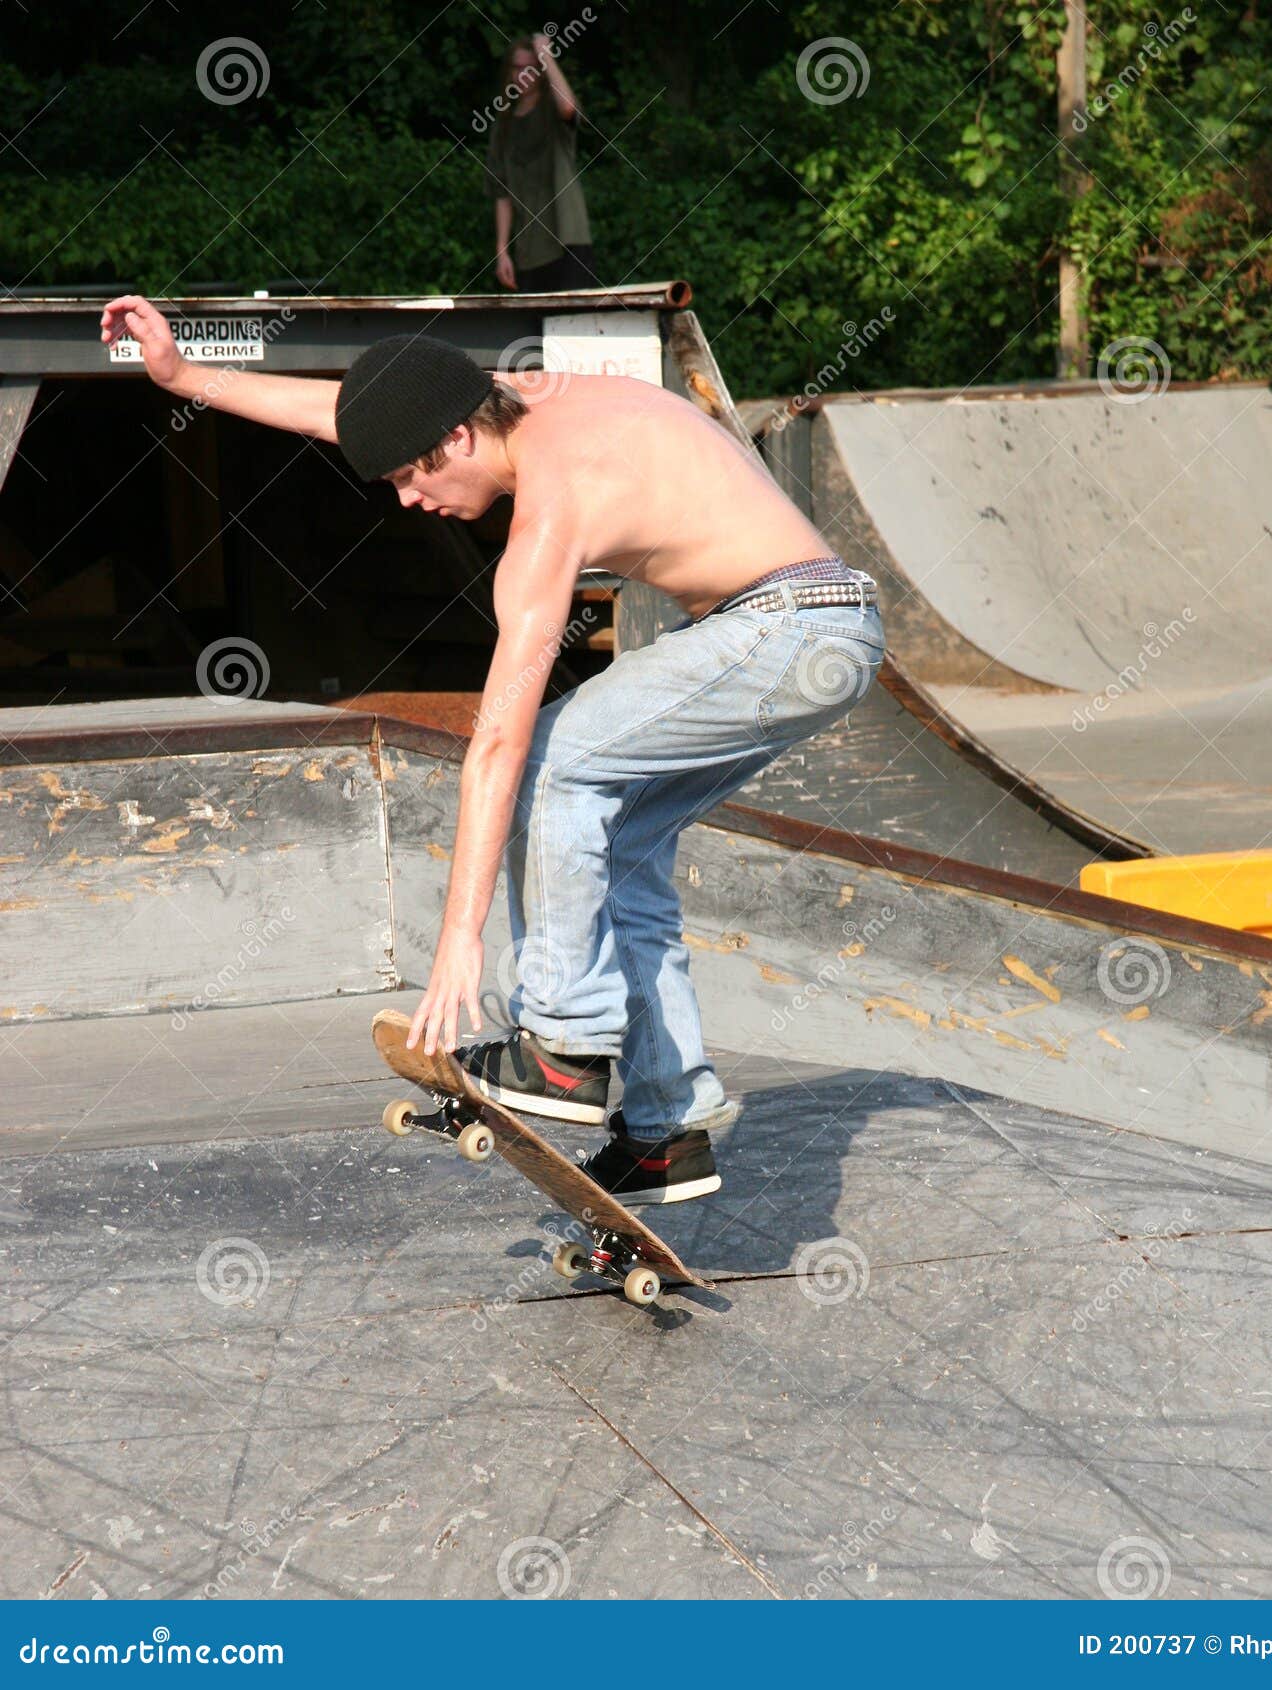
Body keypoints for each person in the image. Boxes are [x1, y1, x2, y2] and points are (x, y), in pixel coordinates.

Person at [99, 297, 885, 1204]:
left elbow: (499, 744)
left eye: (407, 477)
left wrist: (459, 940)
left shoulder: (549, 513)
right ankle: (670, 1126)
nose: (409, 499)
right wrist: (183, 376)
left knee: (555, 759)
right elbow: (340, 410)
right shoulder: (511, 397)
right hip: (821, 633)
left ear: (457, 441)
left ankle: (560, 1044)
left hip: (785, 630)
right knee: (618, 848)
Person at [485, 34, 598, 294]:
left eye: (530, 68)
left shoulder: (552, 110)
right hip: (529, 250)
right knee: (534, 333)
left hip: (568, 240)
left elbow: (568, 107)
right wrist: (502, 251)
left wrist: (546, 55)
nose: (522, 75)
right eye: (516, 67)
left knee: (575, 329)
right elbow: (501, 192)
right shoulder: (503, 125)